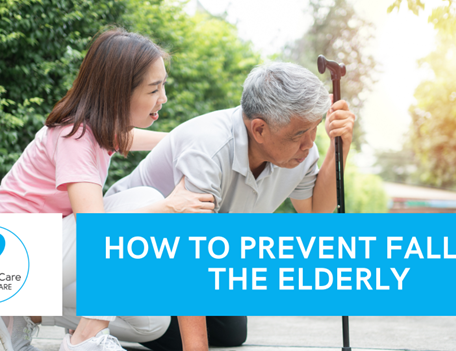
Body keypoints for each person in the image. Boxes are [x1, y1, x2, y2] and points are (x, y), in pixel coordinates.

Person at [90, 61, 356, 350]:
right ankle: (78, 313)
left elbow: (316, 213)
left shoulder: (299, 153)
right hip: (128, 248)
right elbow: (188, 252)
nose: (308, 144)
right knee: (162, 327)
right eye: (298, 134)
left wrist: (338, 147)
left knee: (230, 332)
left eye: (314, 129)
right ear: (259, 129)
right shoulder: (209, 147)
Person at [0, 28, 214, 351]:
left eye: (163, 86)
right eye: (154, 89)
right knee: (146, 204)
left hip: (46, 252)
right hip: (12, 250)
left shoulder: (98, 128)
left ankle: (30, 311)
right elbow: (95, 231)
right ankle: (85, 340)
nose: (163, 98)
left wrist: (184, 139)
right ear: (119, 93)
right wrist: (171, 207)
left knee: (152, 321)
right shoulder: (74, 136)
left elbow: (129, 139)